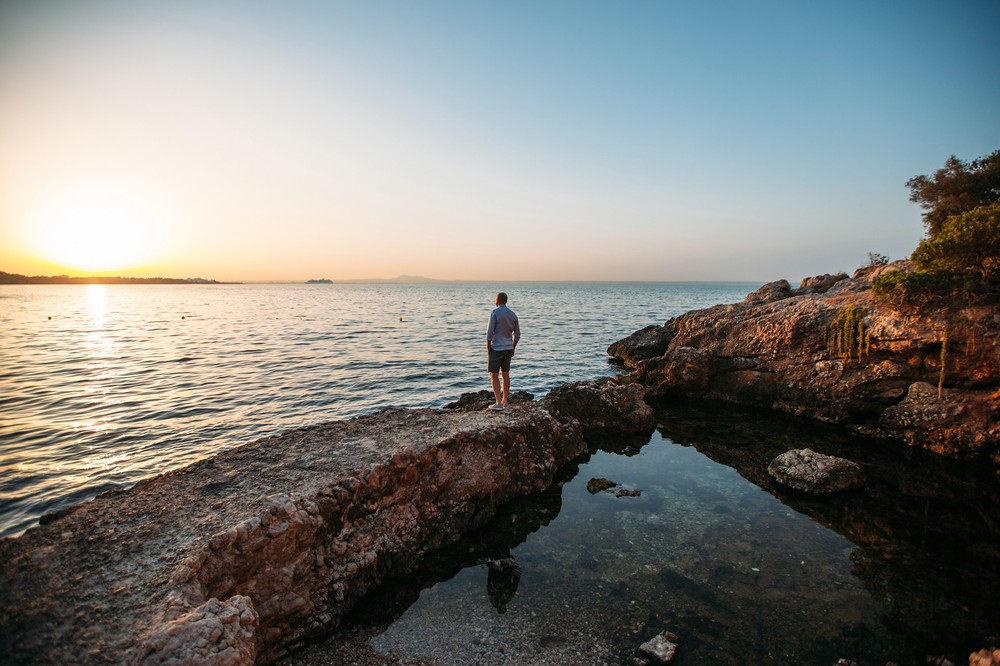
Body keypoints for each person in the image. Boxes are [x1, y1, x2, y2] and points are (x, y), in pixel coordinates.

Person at [486, 292, 519, 411]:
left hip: (497, 347)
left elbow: (490, 333)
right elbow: (517, 335)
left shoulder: (495, 312)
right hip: (508, 348)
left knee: (494, 375)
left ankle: (498, 403)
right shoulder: (513, 314)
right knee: (506, 374)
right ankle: (505, 401)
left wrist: (488, 347)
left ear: (497, 300)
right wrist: (513, 347)